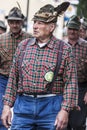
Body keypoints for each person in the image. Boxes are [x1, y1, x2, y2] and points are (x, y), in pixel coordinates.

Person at [1, 2, 79, 130]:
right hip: (23, 106)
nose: (35, 26)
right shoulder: (23, 46)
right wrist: (6, 106)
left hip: (51, 107)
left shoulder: (64, 49)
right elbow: (13, 78)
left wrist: (65, 110)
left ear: (51, 27)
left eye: (40, 23)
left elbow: (71, 82)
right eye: (35, 22)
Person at [0, 7, 32, 130]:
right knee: (2, 109)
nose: (15, 24)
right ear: (8, 23)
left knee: (21, 111)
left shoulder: (30, 39)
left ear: (22, 22)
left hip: (22, 81)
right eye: (12, 22)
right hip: (4, 80)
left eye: (17, 22)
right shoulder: (1, 40)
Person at [66, 15, 87, 130]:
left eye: (75, 29)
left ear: (80, 30)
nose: (72, 31)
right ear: (66, 29)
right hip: (64, 89)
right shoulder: (61, 46)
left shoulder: (85, 46)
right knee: (63, 123)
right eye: (70, 28)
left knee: (78, 124)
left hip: (81, 88)